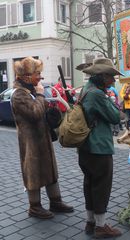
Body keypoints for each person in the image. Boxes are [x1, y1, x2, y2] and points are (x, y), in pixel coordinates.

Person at [11, 57, 74, 219]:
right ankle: (35, 207)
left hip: (43, 138)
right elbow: (34, 113)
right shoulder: (18, 94)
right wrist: (40, 95)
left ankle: (56, 201)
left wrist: (50, 107)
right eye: (37, 73)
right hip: (31, 142)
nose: (40, 77)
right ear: (26, 76)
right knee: (33, 172)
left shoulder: (31, 91)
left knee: (49, 169)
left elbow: (42, 110)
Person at [77, 58, 123, 238]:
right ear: (102, 76)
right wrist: (111, 103)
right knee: (101, 186)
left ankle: (91, 222)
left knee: (89, 184)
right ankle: (101, 226)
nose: (113, 81)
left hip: (85, 147)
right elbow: (115, 116)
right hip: (98, 147)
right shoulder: (97, 94)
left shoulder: (86, 89)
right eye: (111, 77)